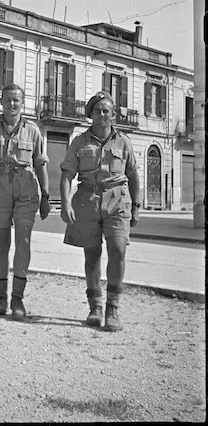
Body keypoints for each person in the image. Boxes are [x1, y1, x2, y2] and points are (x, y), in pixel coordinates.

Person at [59, 90, 141, 332]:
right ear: (91, 115)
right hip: (88, 199)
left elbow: (134, 175)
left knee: (117, 251)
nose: (103, 114)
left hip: (118, 199)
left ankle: (113, 308)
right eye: (98, 111)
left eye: (107, 111)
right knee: (92, 255)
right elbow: (66, 175)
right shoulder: (79, 142)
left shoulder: (124, 142)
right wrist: (65, 203)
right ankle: (95, 307)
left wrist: (136, 207)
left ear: (112, 114)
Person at [0, 84, 50, 320]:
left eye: (17, 100)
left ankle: (18, 298)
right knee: (1, 244)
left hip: (26, 187)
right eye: (8, 100)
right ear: (1, 102)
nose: (12, 104)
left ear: (22, 103)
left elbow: (40, 163)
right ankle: (1, 298)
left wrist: (45, 195)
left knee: (23, 241)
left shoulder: (33, 131)